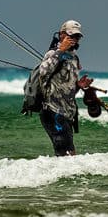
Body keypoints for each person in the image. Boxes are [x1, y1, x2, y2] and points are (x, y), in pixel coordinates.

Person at [35, 19, 94, 156]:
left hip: (67, 113)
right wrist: (60, 50)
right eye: (71, 36)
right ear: (62, 35)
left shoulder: (74, 58)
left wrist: (79, 86)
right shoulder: (52, 54)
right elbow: (42, 72)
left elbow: (67, 89)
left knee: (68, 155)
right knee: (67, 155)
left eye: (77, 37)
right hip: (52, 111)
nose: (74, 39)